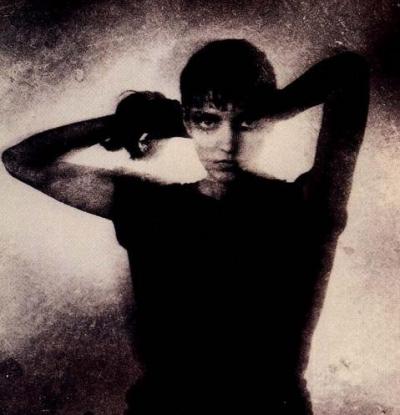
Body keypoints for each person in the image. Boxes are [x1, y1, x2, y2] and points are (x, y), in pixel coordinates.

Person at [2, 39, 369, 414]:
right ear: (187, 122)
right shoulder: (148, 208)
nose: (228, 143)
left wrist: (270, 109)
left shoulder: (308, 209)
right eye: (208, 121)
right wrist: (142, 121)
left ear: (268, 123)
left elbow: (349, 74)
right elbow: (22, 160)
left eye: (247, 122)